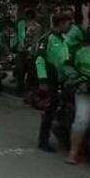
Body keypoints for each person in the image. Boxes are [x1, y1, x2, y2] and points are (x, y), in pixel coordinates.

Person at [35, 12, 73, 153]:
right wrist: (42, 80)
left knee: (61, 109)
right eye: (68, 23)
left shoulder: (63, 39)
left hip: (62, 80)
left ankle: (63, 137)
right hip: (50, 80)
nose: (70, 26)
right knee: (49, 110)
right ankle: (43, 140)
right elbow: (40, 60)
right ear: (61, 23)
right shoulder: (47, 39)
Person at [65, 23, 90, 165]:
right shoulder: (80, 50)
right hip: (85, 89)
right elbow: (68, 66)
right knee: (82, 119)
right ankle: (73, 151)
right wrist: (79, 81)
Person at [14, 8, 43, 94]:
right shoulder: (21, 24)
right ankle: (20, 88)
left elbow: (36, 40)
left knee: (30, 71)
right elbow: (18, 36)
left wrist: (32, 51)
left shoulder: (37, 26)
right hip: (21, 49)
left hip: (30, 51)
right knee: (20, 70)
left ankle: (28, 89)